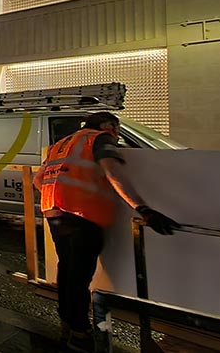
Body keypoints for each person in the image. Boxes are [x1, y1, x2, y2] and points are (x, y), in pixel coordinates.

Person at [33, 112, 180, 352]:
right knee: (80, 275)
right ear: (106, 125)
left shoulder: (60, 144)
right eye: (117, 128)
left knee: (68, 268)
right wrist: (142, 208)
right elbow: (113, 172)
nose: (117, 134)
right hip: (83, 214)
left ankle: (68, 324)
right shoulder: (99, 139)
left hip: (54, 212)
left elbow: (38, 180)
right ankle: (80, 332)